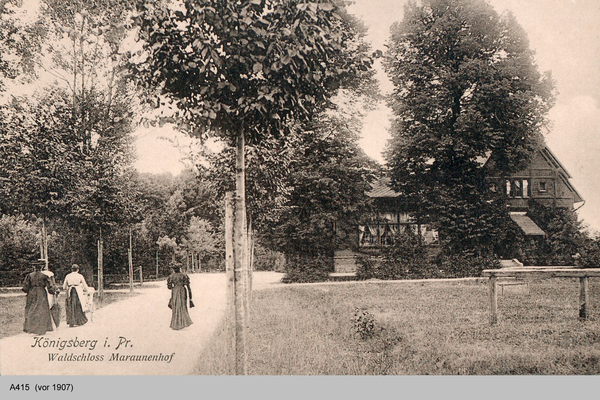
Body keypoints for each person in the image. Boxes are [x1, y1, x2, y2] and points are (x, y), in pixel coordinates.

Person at [22, 259, 55, 335]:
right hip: (41, 293)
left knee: (31, 309)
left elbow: (25, 287)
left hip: (32, 293)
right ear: (42, 267)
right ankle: (41, 329)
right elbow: (50, 287)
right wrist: (53, 291)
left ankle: (31, 328)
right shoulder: (45, 276)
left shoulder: (29, 275)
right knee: (41, 310)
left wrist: (29, 291)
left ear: (34, 267)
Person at [167, 263, 193, 330]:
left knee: (175, 306)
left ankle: (176, 324)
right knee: (182, 306)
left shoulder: (171, 276)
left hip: (175, 291)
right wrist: (191, 299)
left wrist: (174, 287)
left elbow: (169, 287)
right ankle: (183, 323)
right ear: (180, 268)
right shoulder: (184, 275)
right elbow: (188, 287)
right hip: (182, 291)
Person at [40, 262, 60, 327]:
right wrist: (55, 290)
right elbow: (52, 283)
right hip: (48, 290)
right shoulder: (50, 273)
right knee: (49, 304)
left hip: (41, 290)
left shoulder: (38, 273)